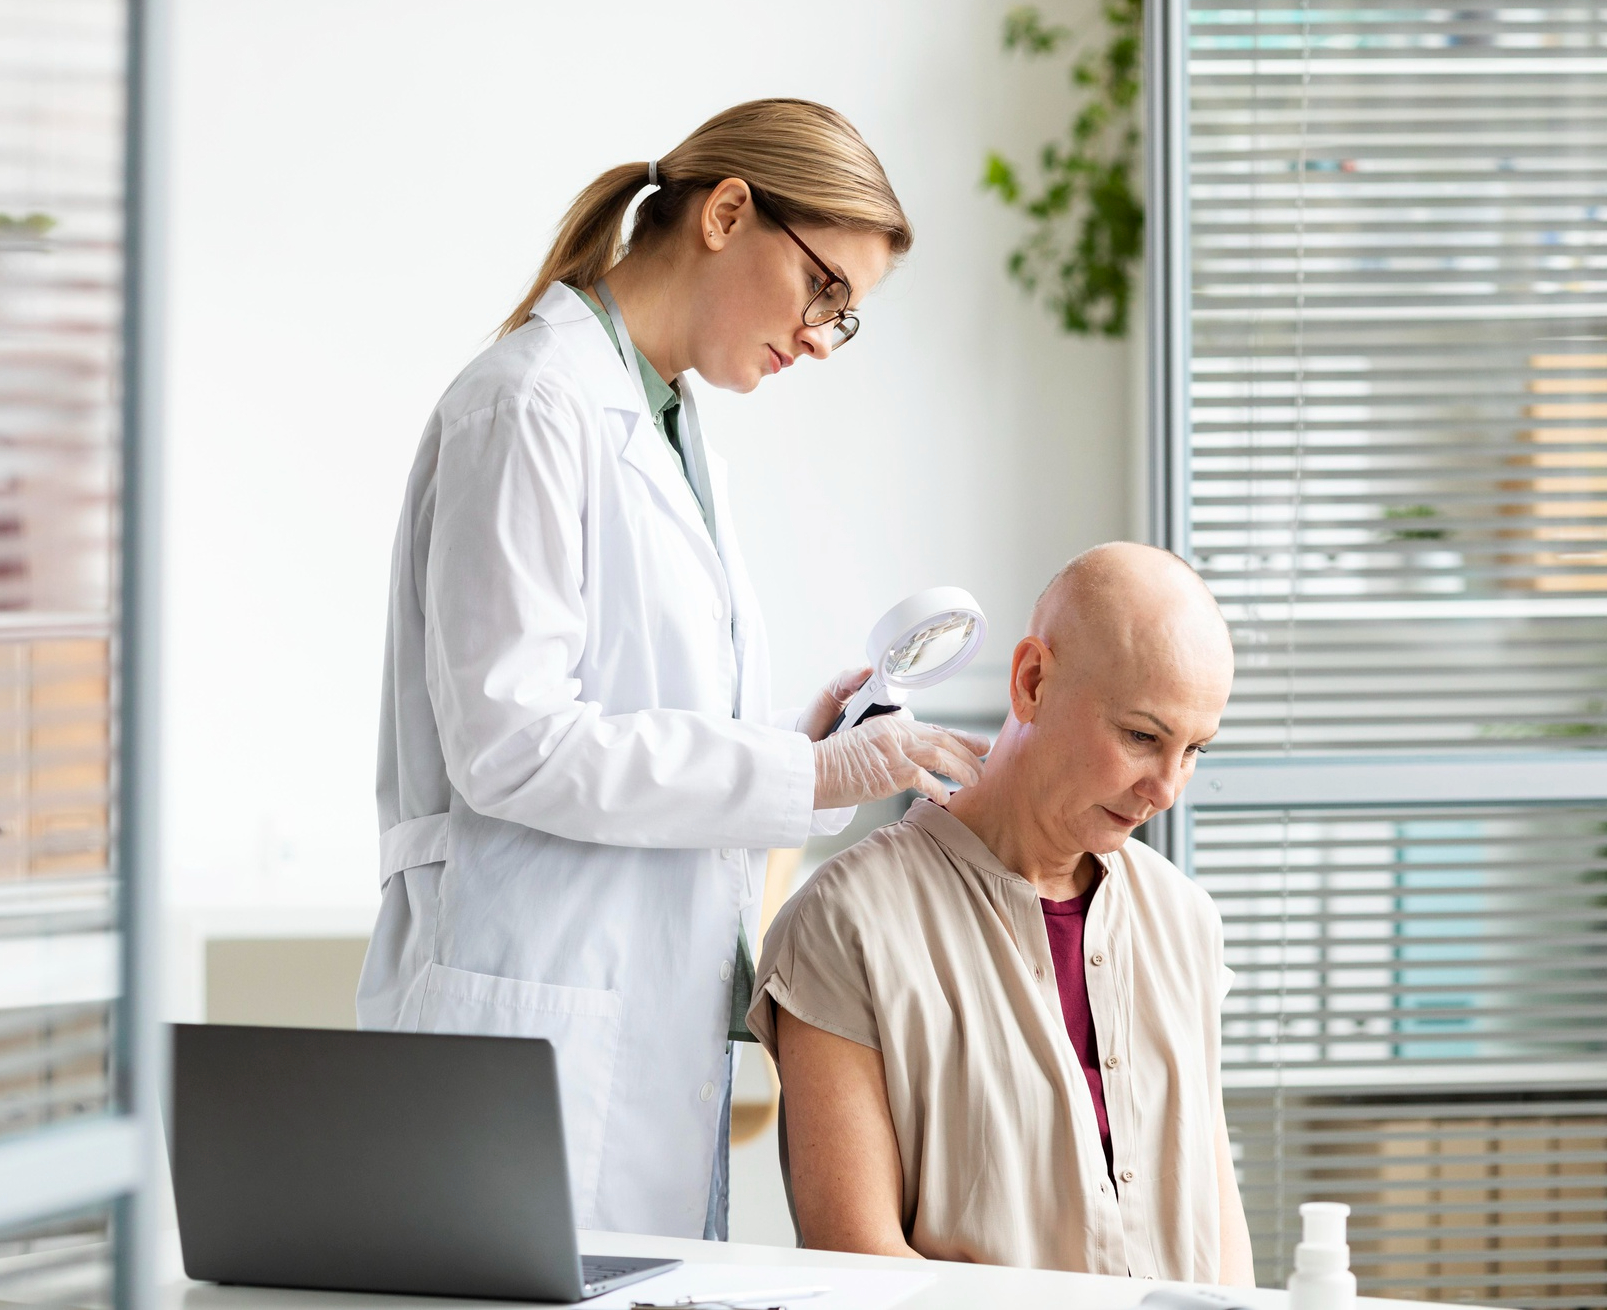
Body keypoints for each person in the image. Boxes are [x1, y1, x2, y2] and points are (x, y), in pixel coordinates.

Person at [356, 99, 989, 1240]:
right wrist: (806, 777)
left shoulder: (667, 419)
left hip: (632, 1030)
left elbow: (643, 720)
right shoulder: (531, 403)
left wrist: (801, 745)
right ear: (728, 213)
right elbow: (512, 747)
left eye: (844, 318)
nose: (816, 336)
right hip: (527, 1016)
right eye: (823, 290)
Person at [748, 542, 1254, 1285]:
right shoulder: (846, 924)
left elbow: (1222, 1247)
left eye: (1195, 749)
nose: (1167, 788)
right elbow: (856, 1265)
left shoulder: (1183, 920)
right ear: (1032, 680)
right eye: (1142, 736)